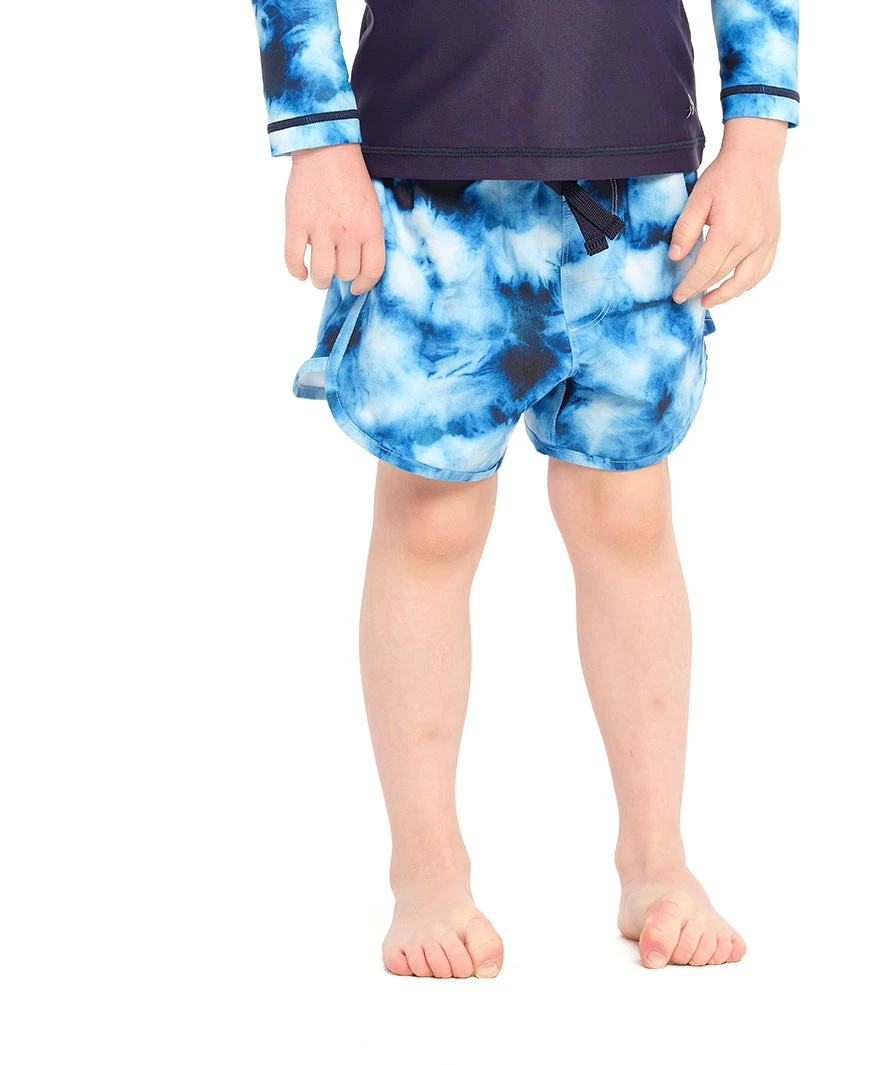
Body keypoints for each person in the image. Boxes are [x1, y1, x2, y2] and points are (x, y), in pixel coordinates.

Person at [249, 0, 799, 978]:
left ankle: (656, 859)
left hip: (638, 183)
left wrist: (757, 138)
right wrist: (317, 139)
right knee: (431, 516)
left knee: (628, 512)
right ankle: (426, 867)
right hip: (425, 177)